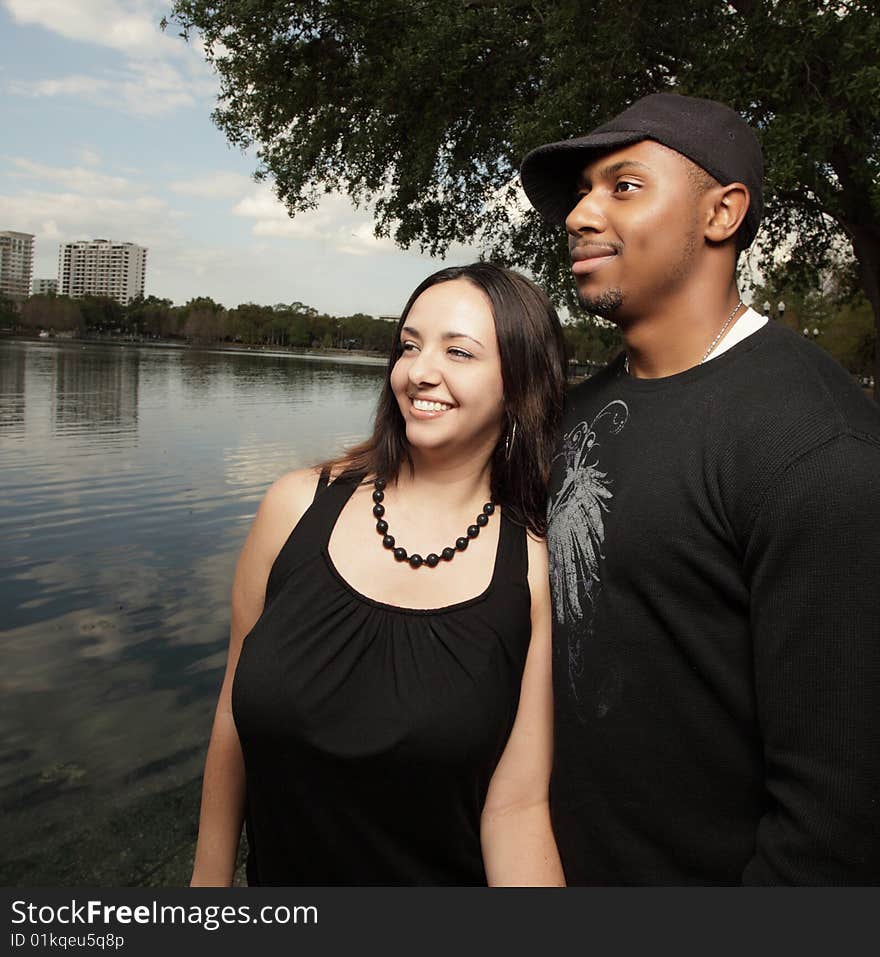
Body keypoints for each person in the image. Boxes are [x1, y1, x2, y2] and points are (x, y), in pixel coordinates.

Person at [519, 93, 880, 884]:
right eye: (582, 190)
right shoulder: (578, 411)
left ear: (722, 213)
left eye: (623, 186)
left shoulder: (817, 448)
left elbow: (836, 824)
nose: (579, 213)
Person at [189, 262, 568, 886]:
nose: (420, 371)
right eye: (410, 345)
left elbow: (517, 806)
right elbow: (233, 717)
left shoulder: (531, 572)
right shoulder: (294, 508)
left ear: (518, 384)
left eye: (459, 352)